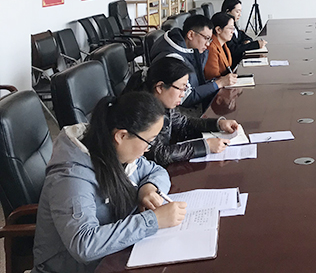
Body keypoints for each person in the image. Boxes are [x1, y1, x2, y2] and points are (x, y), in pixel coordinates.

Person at [32, 92, 187, 272]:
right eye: (149, 141)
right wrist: (153, 221)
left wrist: (148, 189)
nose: (147, 149)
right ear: (121, 136)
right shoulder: (70, 177)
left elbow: (156, 171)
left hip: (115, 254)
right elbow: (84, 245)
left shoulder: (112, 149)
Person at [143, 56, 240, 166]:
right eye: (181, 88)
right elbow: (159, 154)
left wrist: (218, 124)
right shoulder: (143, 111)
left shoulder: (163, 103)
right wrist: (205, 146)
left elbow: (184, 124)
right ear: (160, 87)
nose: (183, 95)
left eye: (185, 89)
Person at [149, 14, 236, 110]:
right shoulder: (173, 59)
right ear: (190, 35)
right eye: (206, 38)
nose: (208, 44)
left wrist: (216, 82)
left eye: (210, 39)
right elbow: (186, 98)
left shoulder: (191, 50)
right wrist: (218, 83)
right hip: (180, 111)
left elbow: (197, 82)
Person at [221, 0, 266, 67]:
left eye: (240, 12)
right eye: (237, 12)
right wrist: (255, 45)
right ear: (228, 12)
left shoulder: (233, 23)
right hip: (234, 63)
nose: (240, 15)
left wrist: (247, 40)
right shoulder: (224, 28)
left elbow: (241, 34)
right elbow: (233, 50)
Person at [205, 12, 238, 81]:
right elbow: (212, 77)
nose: (232, 32)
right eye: (230, 28)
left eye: (233, 28)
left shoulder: (224, 44)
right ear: (218, 30)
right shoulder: (211, 48)